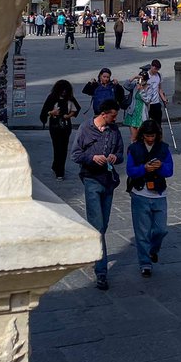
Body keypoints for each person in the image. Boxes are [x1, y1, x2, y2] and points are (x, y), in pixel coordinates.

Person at [71, 100, 124, 291]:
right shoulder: (85, 128)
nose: (115, 119)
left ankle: (90, 250)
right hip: (91, 179)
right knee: (99, 226)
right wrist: (92, 158)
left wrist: (114, 157)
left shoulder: (114, 131)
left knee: (103, 224)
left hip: (108, 180)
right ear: (104, 114)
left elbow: (120, 153)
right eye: (113, 115)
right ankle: (101, 272)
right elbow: (75, 155)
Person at [126, 118, 173, 276]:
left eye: (153, 136)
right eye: (147, 136)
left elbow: (169, 170)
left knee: (160, 229)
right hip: (140, 193)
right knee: (142, 232)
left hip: (159, 193)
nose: (150, 138)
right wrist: (144, 168)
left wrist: (160, 167)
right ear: (142, 135)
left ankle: (153, 249)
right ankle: (145, 263)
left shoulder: (163, 148)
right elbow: (130, 170)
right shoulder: (134, 148)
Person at [39, 80, 80, 180]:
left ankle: (60, 170)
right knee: (57, 147)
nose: (64, 93)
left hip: (66, 127)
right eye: (62, 90)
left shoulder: (69, 98)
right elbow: (44, 113)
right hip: (54, 126)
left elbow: (76, 109)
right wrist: (51, 113)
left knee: (64, 148)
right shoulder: (52, 98)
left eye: (66, 91)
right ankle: (57, 167)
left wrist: (68, 115)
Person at [143, 59, 167, 125]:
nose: (156, 71)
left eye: (158, 69)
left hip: (156, 102)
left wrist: (164, 98)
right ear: (151, 66)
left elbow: (159, 88)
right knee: (148, 123)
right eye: (155, 69)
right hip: (148, 103)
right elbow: (141, 89)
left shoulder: (158, 75)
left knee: (158, 123)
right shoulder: (145, 76)